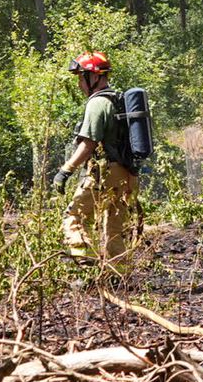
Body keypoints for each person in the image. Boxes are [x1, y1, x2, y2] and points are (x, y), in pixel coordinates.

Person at [52, 51, 139, 260]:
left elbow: (88, 144)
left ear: (95, 77)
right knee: (114, 230)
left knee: (75, 218)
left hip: (105, 173)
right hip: (127, 175)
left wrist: (66, 170)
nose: (80, 83)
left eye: (82, 77)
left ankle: (85, 266)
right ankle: (117, 277)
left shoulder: (97, 103)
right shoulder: (118, 100)